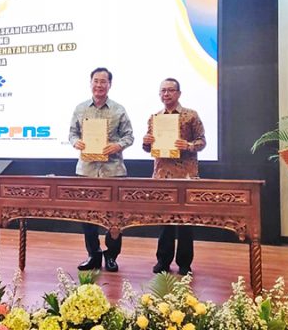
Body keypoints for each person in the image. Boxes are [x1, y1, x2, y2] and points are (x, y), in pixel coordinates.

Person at [69, 67, 134, 272]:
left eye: (103, 81)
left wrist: (117, 145)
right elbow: (72, 133)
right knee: (87, 217)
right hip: (86, 171)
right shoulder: (80, 108)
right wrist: (76, 142)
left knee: (114, 217)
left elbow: (129, 136)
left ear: (109, 84)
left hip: (113, 171)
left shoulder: (118, 109)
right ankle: (93, 255)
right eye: (96, 81)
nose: (99, 85)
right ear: (91, 83)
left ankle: (111, 255)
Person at [142, 78, 206, 276]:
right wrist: (146, 142)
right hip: (162, 175)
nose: (166, 94)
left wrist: (188, 145)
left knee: (185, 222)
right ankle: (163, 260)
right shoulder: (155, 118)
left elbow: (202, 142)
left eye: (170, 90)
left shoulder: (190, 115)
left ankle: (185, 263)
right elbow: (148, 148)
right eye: (163, 91)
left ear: (178, 93)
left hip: (186, 175)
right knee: (164, 221)